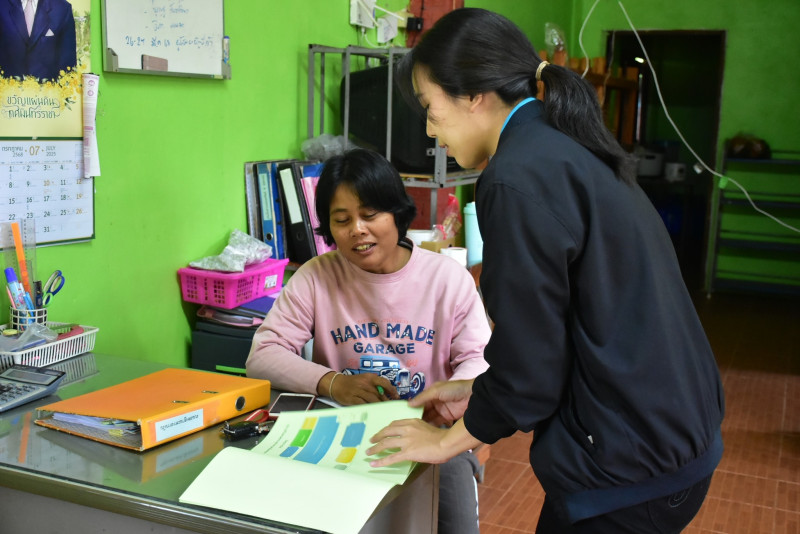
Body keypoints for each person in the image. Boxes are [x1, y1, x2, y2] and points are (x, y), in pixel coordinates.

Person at [367, 8, 725, 534]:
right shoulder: (560, 144)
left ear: (473, 94)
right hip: (669, 433)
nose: (428, 128)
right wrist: (479, 391)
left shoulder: (515, 177)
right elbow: (565, 329)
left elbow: (531, 369)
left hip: (632, 465)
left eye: (429, 107)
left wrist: (447, 441)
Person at [246, 148, 491, 534]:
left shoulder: (447, 279)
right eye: (342, 220)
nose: (357, 230)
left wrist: (451, 399)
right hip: (345, 436)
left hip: (433, 437)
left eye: (370, 215)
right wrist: (333, 383)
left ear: (397, 213)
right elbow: (263, 354)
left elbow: (478, 359)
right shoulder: (317, 276)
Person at [0, 0, 77, 81]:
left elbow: (68, 64)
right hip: (7, 86)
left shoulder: (62, 8)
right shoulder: (2, 5)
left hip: (49, 87)